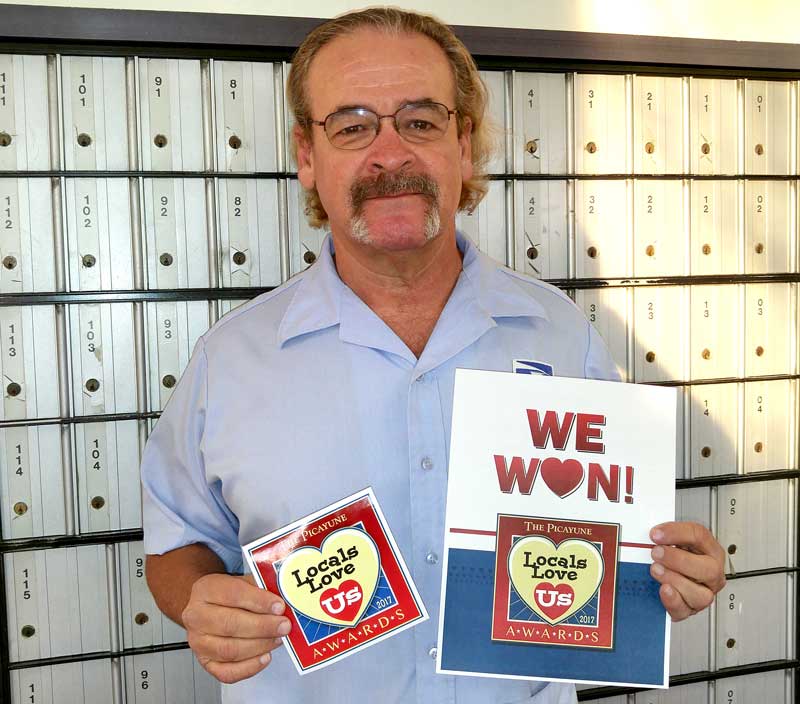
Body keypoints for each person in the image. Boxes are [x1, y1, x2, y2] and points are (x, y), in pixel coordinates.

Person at [141, 8, 726, 703]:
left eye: (420, 121)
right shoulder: (229, 361)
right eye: (353, 125)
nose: (390, 155)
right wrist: (198, 597)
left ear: (464, 144)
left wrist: (671, 571)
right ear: (306, 155)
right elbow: (175, 545)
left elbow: (618, 547)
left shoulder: (561, 336)